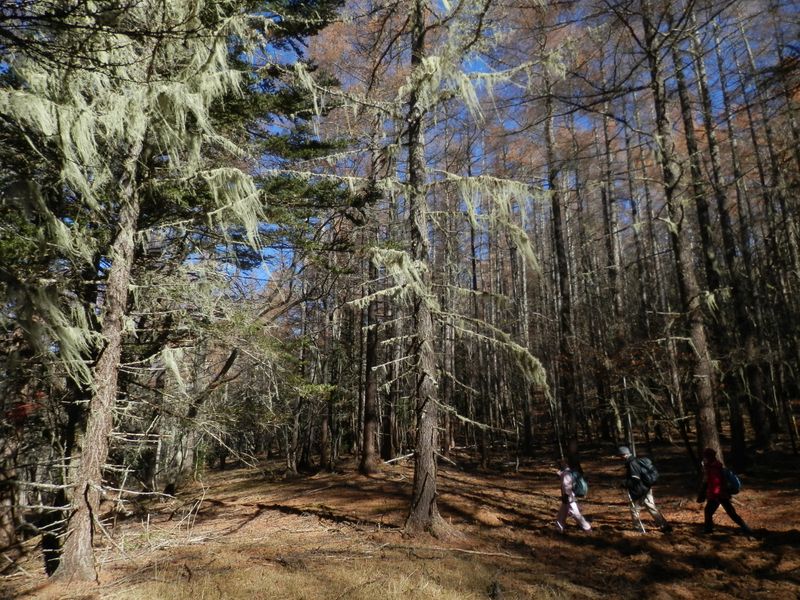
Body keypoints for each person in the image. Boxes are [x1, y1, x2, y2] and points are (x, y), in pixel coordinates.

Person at [697, 447, 753, 536]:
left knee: (709, 511)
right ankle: (746, 528)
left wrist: (711, 495)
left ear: (709, 457)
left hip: (717, 495)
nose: (704, 459)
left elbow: (714, 484)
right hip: (721, 494)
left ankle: (708, 530)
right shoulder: (716, 466)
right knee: (730, 513)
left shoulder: (713, 469)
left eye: (705, 457)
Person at [617, 446, 672, 533]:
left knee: (634, 509)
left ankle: (638, 529)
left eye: (620, 456)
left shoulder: (632, 463)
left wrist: (625, 483)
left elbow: (635, 479)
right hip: (645, 488)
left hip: (639, 491)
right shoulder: (634, 461)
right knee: (651, 507)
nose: (620, 458)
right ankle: (665, 526)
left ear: (624, 454)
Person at [555, 462, 591, 533]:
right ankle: (559, 528)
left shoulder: (566, 474)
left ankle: (587, 528)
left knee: (575, 513)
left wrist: (567, 498)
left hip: (569, 498)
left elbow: (567, 487)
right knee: (562, 513)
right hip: (568, 497)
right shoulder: (567, 472)